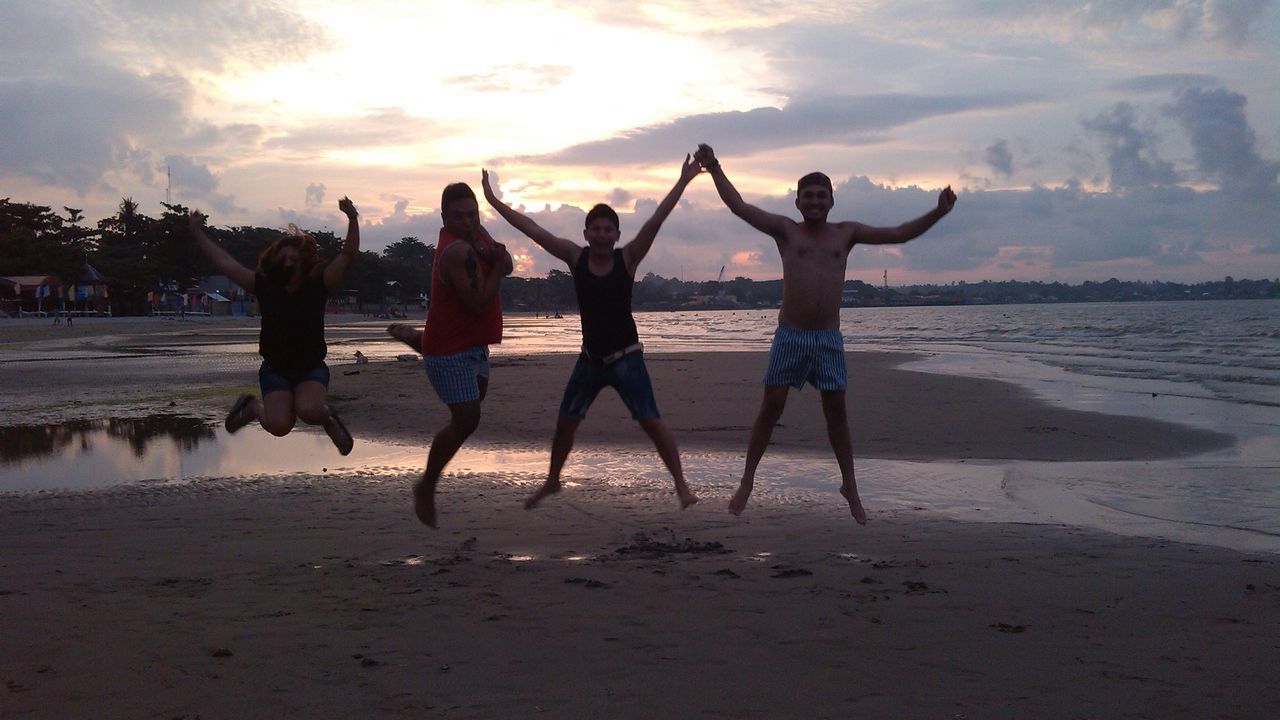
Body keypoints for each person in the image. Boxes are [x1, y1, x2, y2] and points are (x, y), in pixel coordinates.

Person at [695, 144, 957, 523]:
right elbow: (739, 206)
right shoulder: (785, 231)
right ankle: (748, 480)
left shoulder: (845, 233)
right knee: (771, 407)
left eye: (822, 196)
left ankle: (850, 484)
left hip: (828, 339)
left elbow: (899, 233)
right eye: (808, 196)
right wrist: (715, 166)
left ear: (832, 200)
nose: (815, 202)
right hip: (791, 335)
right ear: (798, 201)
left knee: (837, 413)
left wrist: (938, 211)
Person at [481, 157, 701, 511]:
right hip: (590, 360)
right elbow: (533, 230)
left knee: (651, 421)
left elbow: (656, 219)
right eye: (594, 229)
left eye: (607, 229)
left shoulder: (628, 259)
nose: (601, 234)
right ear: (586, 234)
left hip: (627, 358)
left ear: (617, 234)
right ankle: (553, 480)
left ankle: (681, 485)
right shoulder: (575, 257)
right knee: (566, 423)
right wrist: (494, 202)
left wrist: (683, 180)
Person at [189, 198, 360, 455]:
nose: (289, 260)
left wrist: (352, 218)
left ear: (303, 260)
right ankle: (253, 408)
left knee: (310, 410)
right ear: (275, 260)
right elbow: (225, 263)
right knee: (280, 426)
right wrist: (197, 232)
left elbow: (347, 256)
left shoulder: (318, 285)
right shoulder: (264, 285)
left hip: (310, 368)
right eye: (284, 256)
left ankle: (328, 418)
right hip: (275, 369)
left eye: (294, 256)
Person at [387, 182, 513, 528]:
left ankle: (419, 341)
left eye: (473, 214)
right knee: (467, 420)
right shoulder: (456, 252)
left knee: (477, 397)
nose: (468, 221)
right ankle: (426, 486)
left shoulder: (477, 234)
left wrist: (501, 260)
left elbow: (507, 262)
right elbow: (477, 301)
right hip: (450, 350)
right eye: (459, 216)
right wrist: (498, 269)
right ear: (444, 218)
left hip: (473, 343)